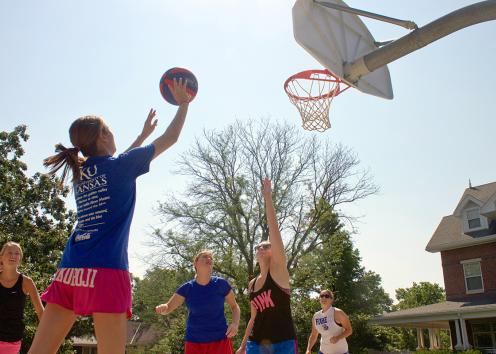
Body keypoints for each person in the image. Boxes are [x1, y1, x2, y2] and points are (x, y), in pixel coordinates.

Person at [28, 79, 191, 354]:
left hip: (70, 270)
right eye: (110, 131)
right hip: (106, 271)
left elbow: (115, 164)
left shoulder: (81, 174)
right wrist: (184, 104)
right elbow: (170, 138)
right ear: (103, 137)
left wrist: (140, 137)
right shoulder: (122, 167)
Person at [236, 178, 298, 354]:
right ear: (256, 255)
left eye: (267, 246)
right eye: (259, 246)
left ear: (275, 252)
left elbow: (274, 231)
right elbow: (253, 318)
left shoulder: (278, 273)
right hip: (256, 344)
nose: (262, 248)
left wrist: (267, 198)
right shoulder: (252, 284)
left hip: (283, 342)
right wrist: (242, 345)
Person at [155, 249, 240, 354]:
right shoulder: (187, 288)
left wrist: (235, 324)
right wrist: (163, 308)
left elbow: (234, 307)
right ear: (195, 263)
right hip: (194, 342)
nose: (208, 259)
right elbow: (167, 308)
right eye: (204, 256)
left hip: (220, 340)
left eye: (211, 258)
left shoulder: (221, 284)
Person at [0, 241, 44, 354]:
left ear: (20, 258)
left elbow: (40, 311)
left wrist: (48, 337)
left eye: (17, 253)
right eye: (9, 252)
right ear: (1, 257)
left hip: (11, 340)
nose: (13, 256)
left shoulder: (27, 282)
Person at [305, 289, 352, 354]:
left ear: (331, 299)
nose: (324, 297)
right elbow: (313, 335)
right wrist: (308, 349)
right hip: (323, 352)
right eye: (321, 296)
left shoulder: (338, 312)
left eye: (327, 296)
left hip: (341, 352)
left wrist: (338, 338)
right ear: (319, 299)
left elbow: (349, 330)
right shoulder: (316, 316)